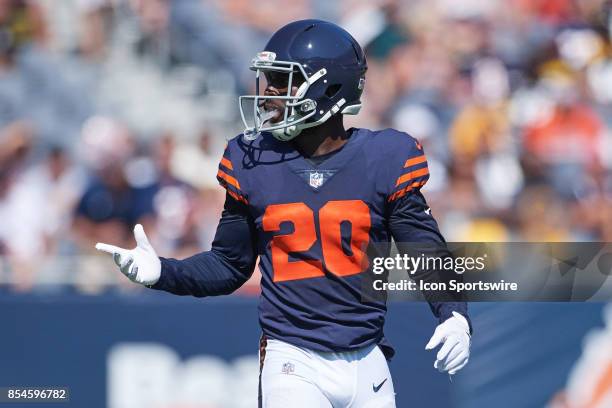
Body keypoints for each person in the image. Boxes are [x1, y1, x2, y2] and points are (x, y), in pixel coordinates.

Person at [96, 20, 471, 407]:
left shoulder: (384, 158)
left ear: (329, 88)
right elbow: (230, 264)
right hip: (292, 359)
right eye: (269, 79)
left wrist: (454, 314)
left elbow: (423, 248)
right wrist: (164, 271)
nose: (269, 93)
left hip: (367, 357)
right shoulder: (251, 161)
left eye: (282, 80)